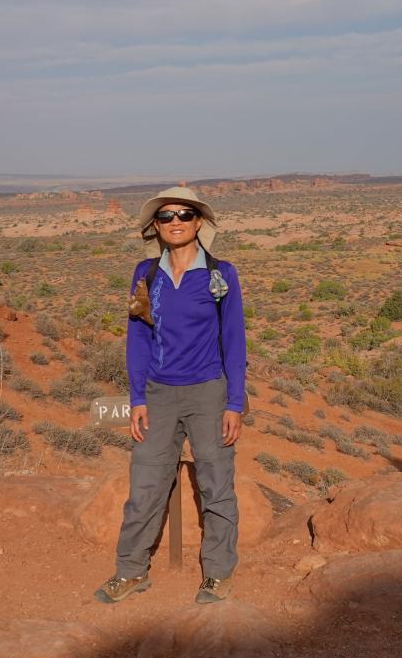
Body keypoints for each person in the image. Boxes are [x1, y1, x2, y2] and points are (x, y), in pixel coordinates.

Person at [95, 186, 246, 605]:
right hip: (158, 395)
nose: (175, 221)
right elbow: (138, 338)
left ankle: (217, 574)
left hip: (208, 393)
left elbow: (234, 340)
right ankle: (130, 572)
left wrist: (234, 403)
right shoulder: (145, 274)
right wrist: (137, 396)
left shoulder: (221, 274)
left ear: (199, 222)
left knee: (216, 486)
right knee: (145, 485)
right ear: (156, 227)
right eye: (166, 217)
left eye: (184, 214)